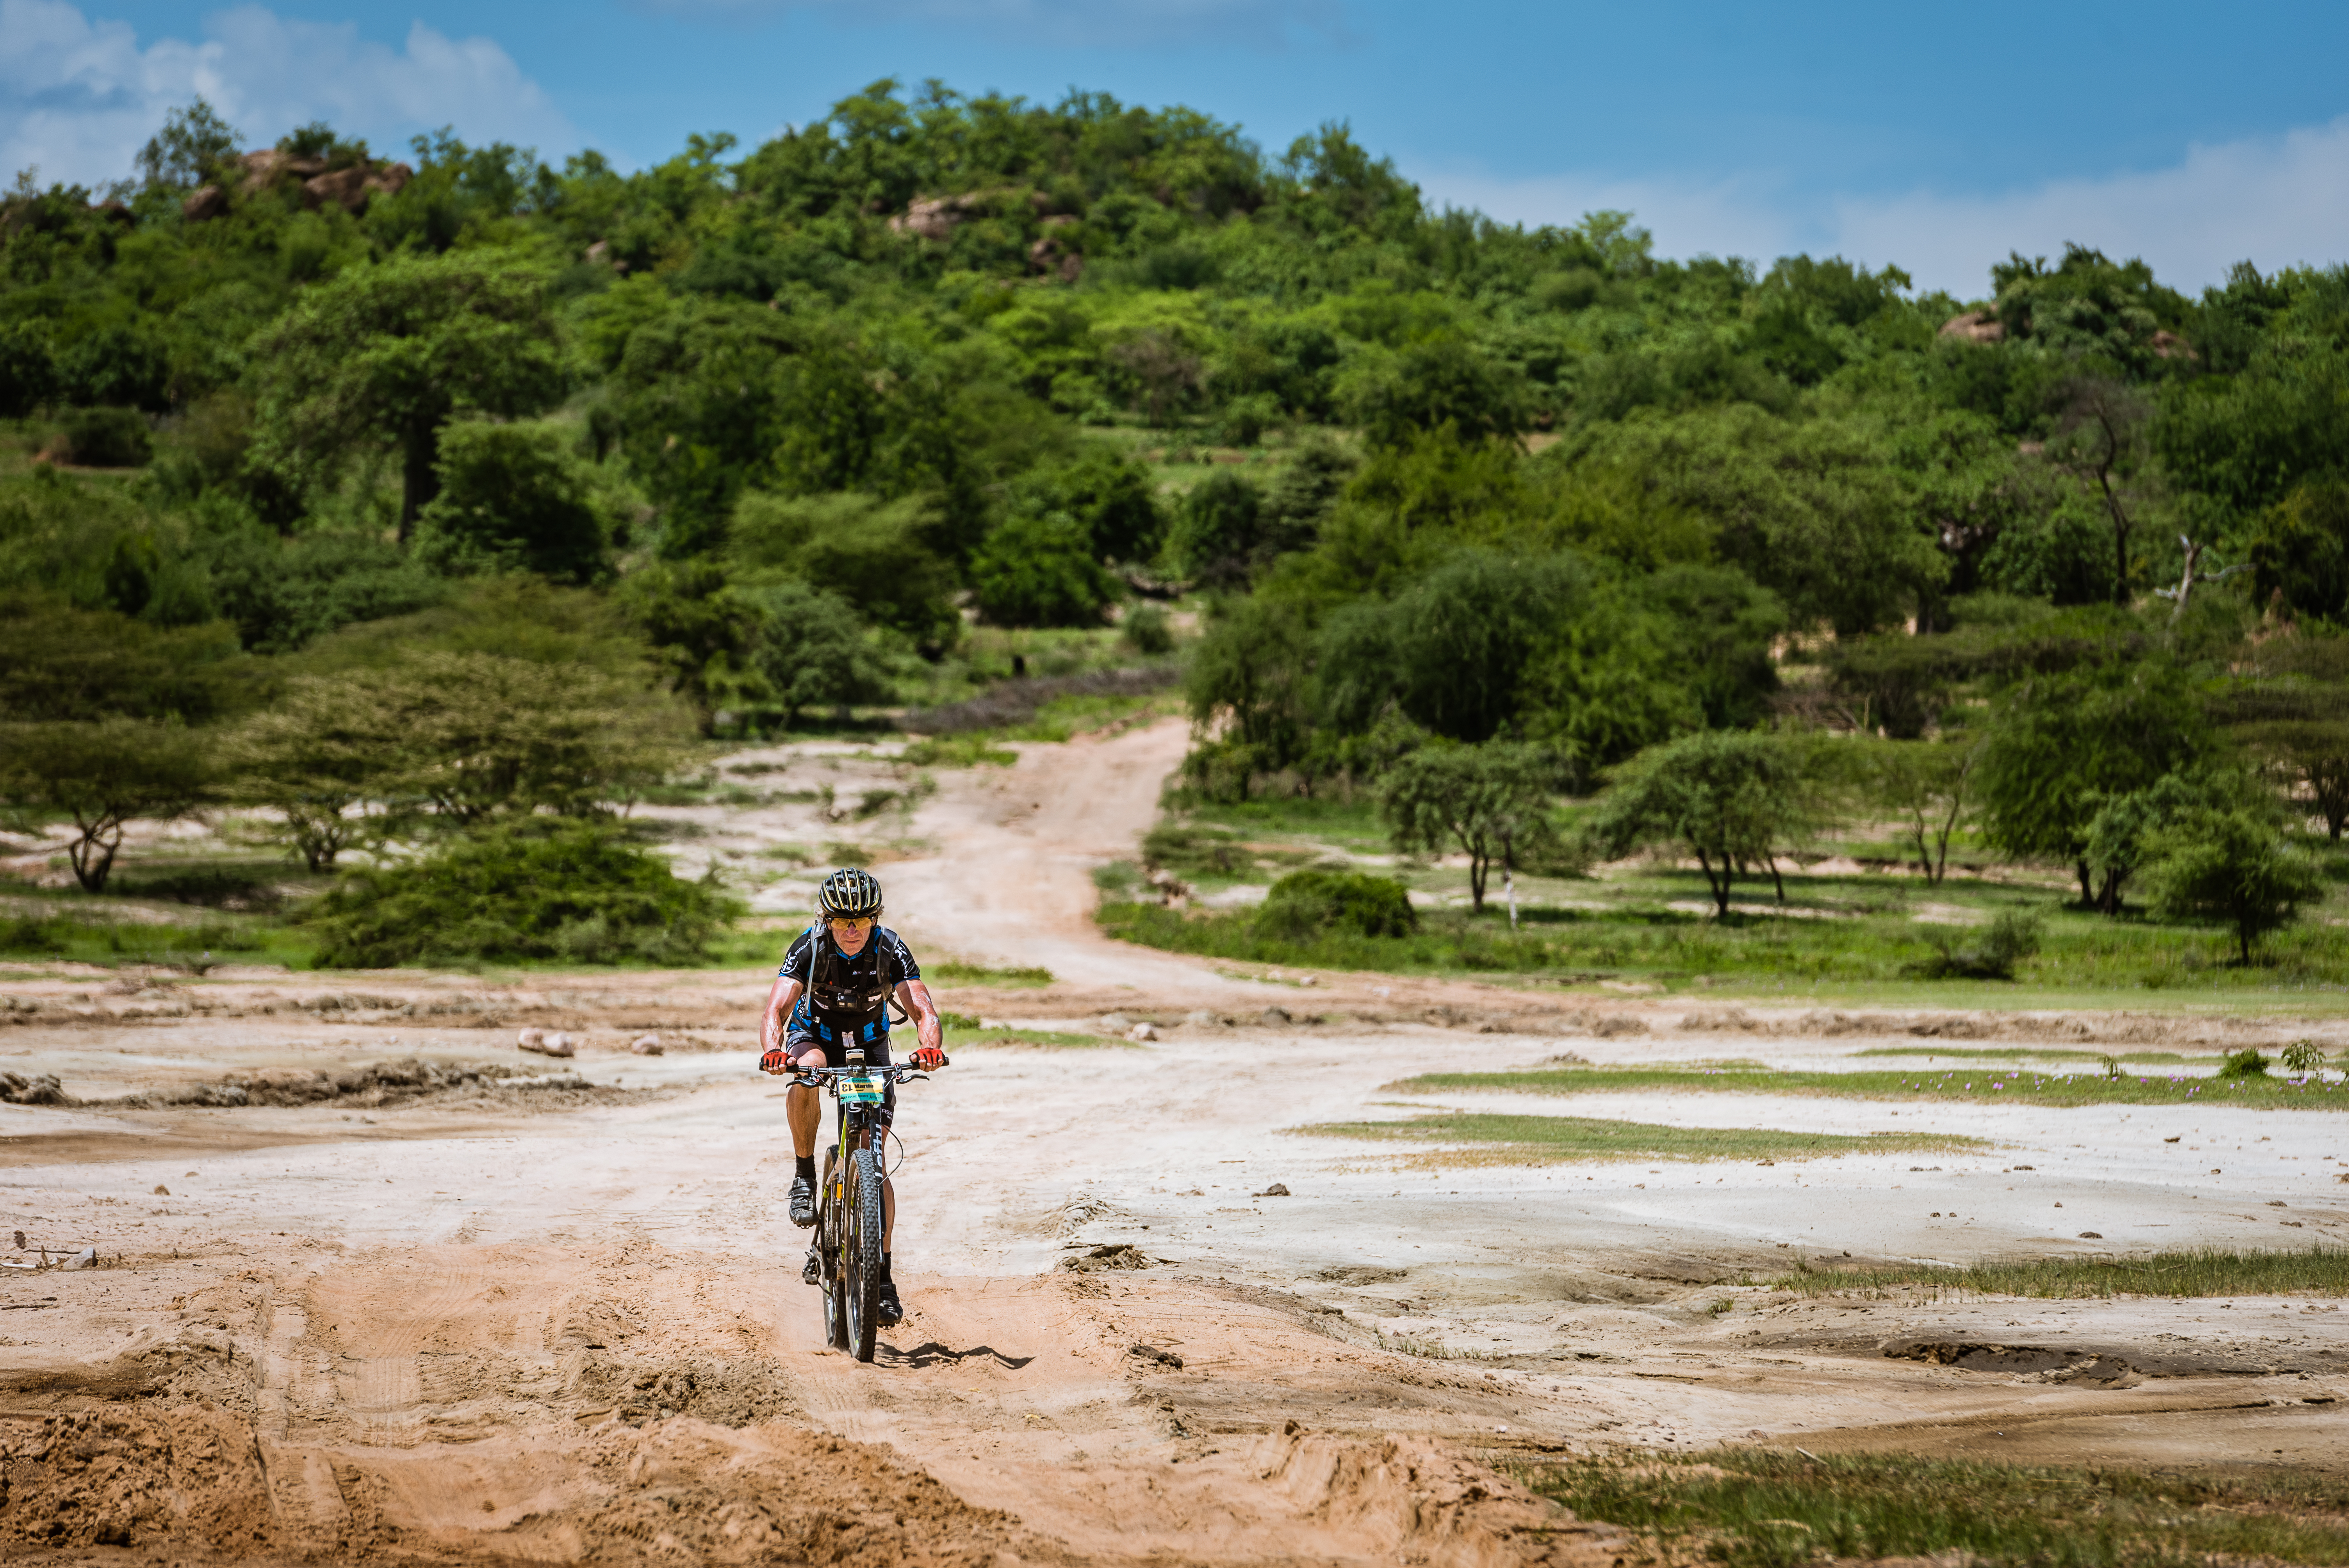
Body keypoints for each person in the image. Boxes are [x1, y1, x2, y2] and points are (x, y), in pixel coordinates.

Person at [758, 868, 946, 1327]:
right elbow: (776, 1008)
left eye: (861, 919)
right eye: (841, 919)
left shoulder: (889, 947)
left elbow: (922, 1006)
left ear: (875, 917)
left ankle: (881, 1277)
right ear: (825, 918)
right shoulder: (811, 946)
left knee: (873, 1160)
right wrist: (774, 1051)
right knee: (809, 1073)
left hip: (871, 1044)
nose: (851, 928)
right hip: (815, 1036)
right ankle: (804, 1175)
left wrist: (930, 1046)